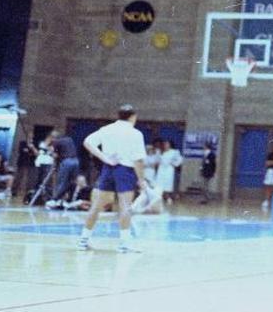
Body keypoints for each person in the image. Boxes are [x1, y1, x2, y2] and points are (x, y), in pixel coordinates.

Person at [79, 104, 147, 252]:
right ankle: (124, 244)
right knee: (125, 207)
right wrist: (141, 179)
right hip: (125, 170)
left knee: (97, 205)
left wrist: (105, 158)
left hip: (108, 169)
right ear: (133, 117)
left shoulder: (107, 129)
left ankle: (83, 240)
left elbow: (87, 142)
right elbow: (138, 160)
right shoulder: (135, 133)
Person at [46, 129, 80, 208]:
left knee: (62, 181)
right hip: (76, 161)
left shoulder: (56, 142)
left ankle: (55, 200)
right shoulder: (69, 139)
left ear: (53, 137)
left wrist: (50, 151)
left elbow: (55, 156)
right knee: (72, 181)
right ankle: (70, 200)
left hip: (66, 162)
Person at [156, 139, 182, 204]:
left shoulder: (174, 152)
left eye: (167, 144)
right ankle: (160, 197)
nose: (165, 145)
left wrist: (174, 164)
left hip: (169, 170)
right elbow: (157, 159)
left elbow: (180, 159)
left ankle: (168, 197)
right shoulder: (161, 151)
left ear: (170, 144)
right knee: (160, 184)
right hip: (161, 170)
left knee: (167, 184)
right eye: (164, 144)